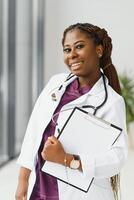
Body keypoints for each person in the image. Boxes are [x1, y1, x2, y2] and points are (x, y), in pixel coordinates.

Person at [15, 23, 128, 200]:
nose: (72, 55)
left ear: (99, 50)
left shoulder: (112, 102)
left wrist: (66, 159)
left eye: (80, 46)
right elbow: (34, 131)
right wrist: (23, 179)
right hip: (40, 189)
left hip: (79, 194)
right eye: (67, 49)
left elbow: (117, 158)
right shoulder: (56, 83)